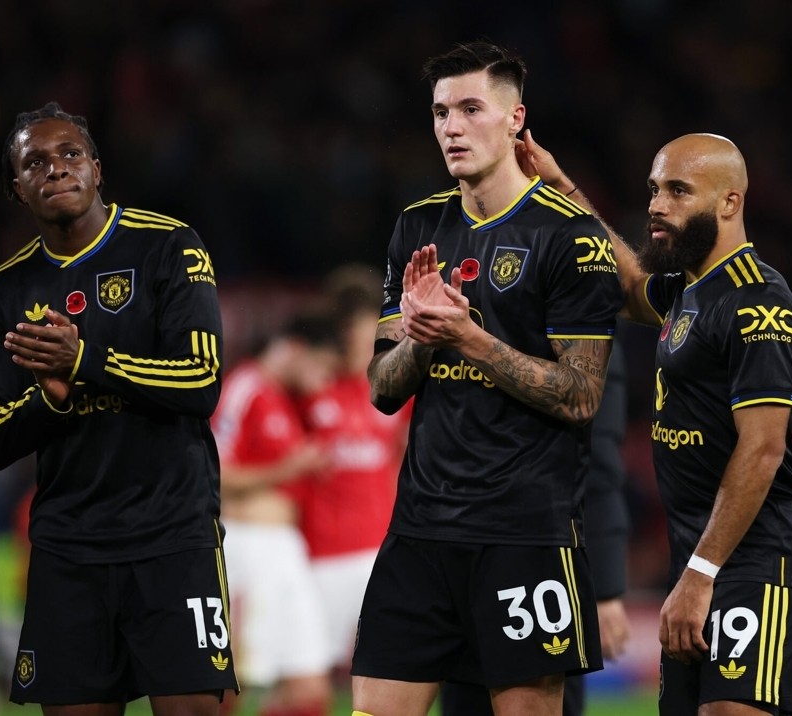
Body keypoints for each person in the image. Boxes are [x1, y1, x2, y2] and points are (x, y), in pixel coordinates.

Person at [518, 130, 792, 715]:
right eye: (654, 189)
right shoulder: (690, 290)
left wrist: (701, 573)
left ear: (729, 202)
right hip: (702, 553)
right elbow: (627, 283)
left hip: (761, 555)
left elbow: (762, 450)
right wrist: (558, 185)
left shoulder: (758, 304)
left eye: (679, 191)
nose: (657, 205)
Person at [351, 41, 623, 716]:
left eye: (471, 109)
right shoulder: (419, 224)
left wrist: (468, 339)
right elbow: (382, 388)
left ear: (514, 120)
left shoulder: (571, 236)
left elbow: (581, 395)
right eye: (441, 112)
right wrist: (422, 337)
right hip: (420, 530)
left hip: (525, 534)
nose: (452, 126)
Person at [0, 102, 238, 714]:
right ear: (17, 189)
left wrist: (84, 360)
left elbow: (200, 380)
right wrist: (51, 400)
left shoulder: (167, 245)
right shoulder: (6, 288)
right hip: (68, 547)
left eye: (70, 154)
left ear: (96, 168)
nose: (56, 168)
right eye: (35, 162)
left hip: (172, 536)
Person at [439, 335, 632, 716]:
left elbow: (599, 468)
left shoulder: (585, 337)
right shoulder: (461, 325)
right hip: (459, 551)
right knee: (466, 700)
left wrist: (606, 589)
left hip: (543, 556)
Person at [211, 311, 341, 716]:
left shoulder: (285, 398)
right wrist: (289, 468)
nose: (325, 379)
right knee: (231, 681)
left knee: (310, 688)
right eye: (322, 365)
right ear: (296, 349)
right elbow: (214, 474)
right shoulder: (246, 387)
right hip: (247, 546)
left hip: (285, 549)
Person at [294, 266, 410, 676]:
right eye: (355, 333)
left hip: (380, 552)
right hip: (320, 555)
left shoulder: (394, 392)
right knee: (315, 677)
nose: (362, 343)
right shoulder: (308, 391)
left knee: (387, 673)